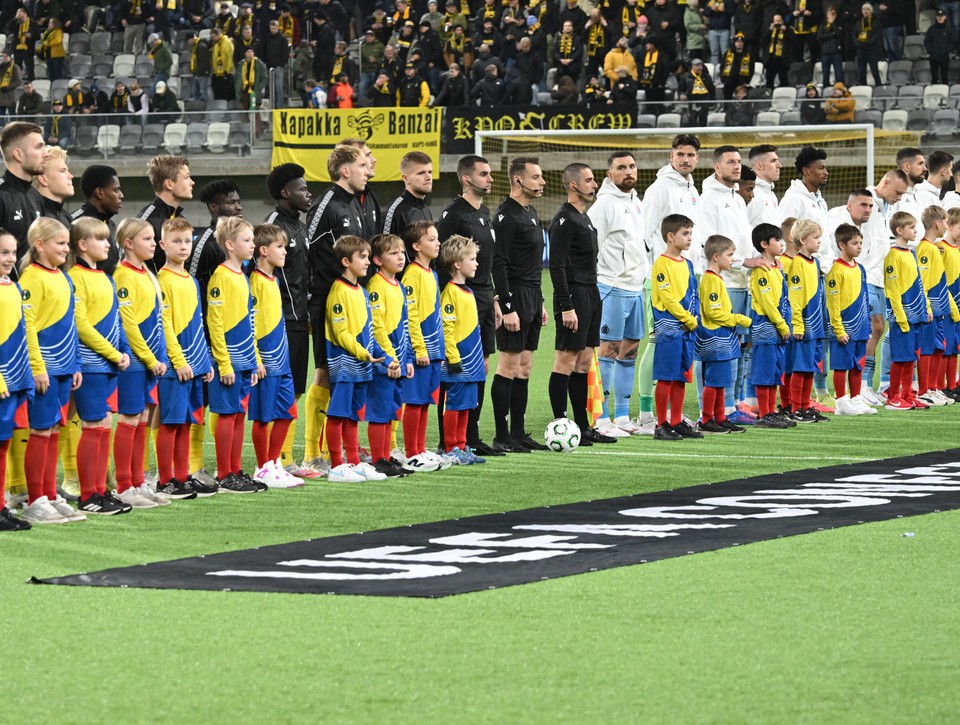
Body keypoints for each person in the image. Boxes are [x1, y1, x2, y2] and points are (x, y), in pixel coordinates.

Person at [303, 144, 368, 471]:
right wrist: (316, 300)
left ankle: (341, 451)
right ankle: (313, 452)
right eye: (361, 164)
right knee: (327, 373)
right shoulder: (327, 204)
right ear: (345, 171)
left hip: (353, 299)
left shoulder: (354, 203)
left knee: (348, 375)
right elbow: (305, 248)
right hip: (329, 303)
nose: (367, 170)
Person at [67, 217, 136, 514]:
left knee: (104, 425)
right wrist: (111, 352)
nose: (108, 244)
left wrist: (123, 350)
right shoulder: (74, 276)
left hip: (109, 364)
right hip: (91, 362)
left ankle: (100, 490)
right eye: (101, 239)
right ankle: (87, 496)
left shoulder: (106, 278)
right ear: (83, 244)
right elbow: (80, 323)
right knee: (93, 425)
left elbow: (115, 320)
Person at [18, 218, 85, 524]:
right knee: (40, 431)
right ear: (39, 245)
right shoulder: (32, 278)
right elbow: (27, 327)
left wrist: (74, 364)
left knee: (54, 431)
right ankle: (35, 500)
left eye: (67, 243)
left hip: (63, 367)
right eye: (60, 243)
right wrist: (36, 367)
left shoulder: (63, 276)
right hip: (44, 368)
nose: (66, 249)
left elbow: (69, 323)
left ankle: (49, 493)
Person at [435, 155, 500, 456]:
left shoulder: (485, 212)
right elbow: (443, 259)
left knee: (482, 366)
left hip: (484, 296)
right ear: (466, 179)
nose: (489, 179)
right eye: (484, 174)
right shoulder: (452, 215)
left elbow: (487, 260)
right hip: (461, 298)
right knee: (456, 371)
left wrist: (496, 298)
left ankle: (470, 436)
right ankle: (449, 442)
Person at [547, 163, 615, 446]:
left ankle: (583, 425)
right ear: (573, 185)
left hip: (591, 292)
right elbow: (558, 265)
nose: (594, 185)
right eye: (588, 180)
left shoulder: (584, 218)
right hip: (573, 294)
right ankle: (560, 423)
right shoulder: (564, 219)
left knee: (585, 361)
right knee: (566, 359)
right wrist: (566, 305)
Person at [112, 218, 179, 501]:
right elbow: (128, 324)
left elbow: (159, 319)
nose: (153, 243)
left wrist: (160, 356)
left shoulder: (148, 274)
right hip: (137, 361)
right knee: (129, 417)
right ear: (128, 243)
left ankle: (138, 481)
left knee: (142, 418)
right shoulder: (123, 275)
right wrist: (149, 358)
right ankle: (124, 485)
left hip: (152, 360)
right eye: (147, 239)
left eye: (153, 238)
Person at [699, 145, 764, 425]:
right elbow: (707, 243)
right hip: (722, 281)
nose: (737, 166)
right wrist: (743, 263)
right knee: (719, 346)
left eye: (739, 161)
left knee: (739, 346)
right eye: (730, 162)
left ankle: (734, 402)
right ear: (716, 167)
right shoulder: (707, 200)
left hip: (741, 282)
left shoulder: (737, 198)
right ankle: (714, 408)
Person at [156, 217, 218, 498]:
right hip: (175, 367)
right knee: (170, 423)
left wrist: (204, 360)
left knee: (185, 422)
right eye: (176, 241)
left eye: (187, 241)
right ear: (162, 244)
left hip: (195, 364)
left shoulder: (192, 280)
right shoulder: (162, 280)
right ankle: (164, 479)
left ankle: (182, 477)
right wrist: (178, 361)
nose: (183, 247)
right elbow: (164, 324)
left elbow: (197, 323)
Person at [586, 152, 646, 438]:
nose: (628, 171)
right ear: (609, 175)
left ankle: (622, 415)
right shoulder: (604, 205)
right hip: (610, 286)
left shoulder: (636, 201)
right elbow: (591, 248)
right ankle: (601, 416)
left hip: (636, 287)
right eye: (621, 168)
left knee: (630, 350)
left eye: (631, 166)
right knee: (607, 351)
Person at [491, 157, 548, 452]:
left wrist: (539, 301)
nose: (542, 182)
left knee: (525, 367)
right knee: (509, 365)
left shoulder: (532, 212)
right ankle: (502, 435)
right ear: (518, 180)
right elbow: (498, 263)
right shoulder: (506, 216)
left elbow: (533, 264)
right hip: (514, 296)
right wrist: (508, 305)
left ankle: (519, 432)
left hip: (531, 296)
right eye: (536, 177)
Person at [324, 234, 390, 482]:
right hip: (344, 363)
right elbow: (341, 334)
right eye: (361, 257)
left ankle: (353, 461)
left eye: (366, 257)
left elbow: (369, 329)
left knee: (353, 415)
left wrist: (380, 354)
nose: (366, 262)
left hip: (363, 364)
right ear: (345, 261)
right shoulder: (338, 291)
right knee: (338, 414)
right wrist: (364, 353)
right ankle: (336, 465)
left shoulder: (361, 291)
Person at [206, 217, 263, 493]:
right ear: (230, 245)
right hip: (227, 361)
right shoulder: (221, 276)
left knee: (239, 414)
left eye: (252, 240)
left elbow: (248, 322)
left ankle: (236, 469)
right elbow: (215, 323)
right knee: (227, 415)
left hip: (244, 360)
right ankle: (224, 473)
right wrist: (224, 364)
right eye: (247, 240)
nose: (253, 245)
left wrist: (253, 361)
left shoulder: (242, 275)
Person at [248, 224, 302, 487]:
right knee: (263, 415)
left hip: (282, 359)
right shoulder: (255, 281)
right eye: (280, 247)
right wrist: (256, 359)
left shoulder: (275, 280)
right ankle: (262, 467)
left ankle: (273, 462)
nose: (285, 252)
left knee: (288, 412)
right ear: (263, 250)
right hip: (266, 360)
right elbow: (251, 323)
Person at [398, 221, 451, 471]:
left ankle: (421, 449)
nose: (437, 243)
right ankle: (411, 453)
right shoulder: (412, 275)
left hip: (435, 348)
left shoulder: (433, 273)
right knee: (415, 399)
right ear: (416, 246)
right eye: (431, 239)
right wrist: (418, 349)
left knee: (426, 400)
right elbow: (411, 315)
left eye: (437, 238)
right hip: (421, 350)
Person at [365, 233, 414, 477]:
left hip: (399, 360)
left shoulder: (399, 285)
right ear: (377, 260)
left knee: (392, 409)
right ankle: (378, 459)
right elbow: (377, 327)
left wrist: (408, 358)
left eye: (402, 252)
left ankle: (386, 456)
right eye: (393, 253)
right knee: (380, 410)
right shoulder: (376, 287)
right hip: (384, 362)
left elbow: (404, 325)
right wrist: (389, 358)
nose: (400, 257)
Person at [860, 170, 908, 403]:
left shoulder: (885, 206)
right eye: (897, 192)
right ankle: (862, 384)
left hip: (879, 277)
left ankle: (866, 385)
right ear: (885, 182)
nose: (899, 197)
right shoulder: (866, 202)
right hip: (865, 275)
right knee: (874, 328)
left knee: (877, 329)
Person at [438, 235, 487, 463]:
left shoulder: (468, 291)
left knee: (467, 406)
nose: (477, 263)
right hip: (458, 361)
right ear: (457, 264)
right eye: (472, 259)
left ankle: (462, 445)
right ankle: (450, 448)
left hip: (472, 359)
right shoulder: (450, 293)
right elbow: (447, 328)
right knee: (456, 405)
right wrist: (453, 357)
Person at [696, 234, 752, 434]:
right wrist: (738, 319)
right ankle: (706, 419)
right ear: (716, 257)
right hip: (714, 337)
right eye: (730, 255)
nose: (732, 259)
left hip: (722, 336)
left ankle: (720, 417)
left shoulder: (716, 278)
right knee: (713, 381)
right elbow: (713, 312)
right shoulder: (710, 280)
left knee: (720, 381)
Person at [650, 214, 699, 441]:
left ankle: (677, 422)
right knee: (666, 377)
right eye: (685, 234)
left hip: (688, 329)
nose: (689, 238)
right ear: (670, 237)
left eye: (690, 233)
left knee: (681, 377)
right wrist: (687, 318)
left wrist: (694, 317)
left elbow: (693, 294)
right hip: (670, 328)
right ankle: (661, 425)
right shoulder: (661, 263)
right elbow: (668, 297)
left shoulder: (688, 264)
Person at [825, 223, 876, 417]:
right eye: (855, 243)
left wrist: (867, 325)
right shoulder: (836, 271)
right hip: (844, 327)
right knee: (841, 365)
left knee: (857, 364)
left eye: (861, 243)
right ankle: (841, 401)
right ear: (842, 245)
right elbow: (833, 303)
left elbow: (864, 297)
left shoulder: (860, 268)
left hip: (860, 326)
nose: (860, 247)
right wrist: (838, 329)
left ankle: (856, 398)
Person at [0, 230, 33, 529]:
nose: (10, 258)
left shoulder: (13, 286)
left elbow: (22, 333)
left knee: (3, 443)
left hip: (16, 381)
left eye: (12, 252)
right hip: (2, 382)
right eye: (3, 253)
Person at [748, 222, 794, 429]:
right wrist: (782, 325)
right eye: (778, 240)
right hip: (767, 326)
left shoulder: (777, 266)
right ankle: (764, 414)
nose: (782, 243)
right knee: (764, 371)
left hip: (779, 325)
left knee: (775, 371)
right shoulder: (761, 271)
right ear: (764, 244)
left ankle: (771, 411)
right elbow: (767, 303)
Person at [884, 211, 930, 411]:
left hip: (917, 316)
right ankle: (893, 397)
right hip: (903, 318)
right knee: (901, 358)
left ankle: (908, 395)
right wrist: (900, 318)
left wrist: (926, 307)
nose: (915, 231)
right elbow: (892, 292)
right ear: (899, 230)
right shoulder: (892, 257)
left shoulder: (911, 253)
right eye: (911, 227)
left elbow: (920, 284)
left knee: (911, 358)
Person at [787, 219, 829, 422]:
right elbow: (795, 297)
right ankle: (796, 408)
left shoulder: (816, 262)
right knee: (800, 367)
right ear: (803, 240)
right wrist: (797, 323)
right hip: (804, 324)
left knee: (811, 367)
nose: (819, 241)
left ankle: (806, 406)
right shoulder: (798, 263)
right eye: (815, 238)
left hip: (817, 324)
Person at [915, 206, 955, 407]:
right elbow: (922, 280)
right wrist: (927, 306)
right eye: (946, 222)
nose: (947, 226)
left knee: (939, 347)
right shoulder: (924, 248)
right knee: (928, 349)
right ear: (938, 223)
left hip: (941, 308)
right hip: (932, 307)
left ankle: (934, 388)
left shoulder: (934, 248)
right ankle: (923, 390)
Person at [0, 122, 46, 273]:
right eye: (39, 147)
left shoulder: (36, 195)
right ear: (18, 154)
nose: (46, 153)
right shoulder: (2, 196)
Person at [137, 154, 193, 272]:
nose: (192, 182)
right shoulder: (145, 221)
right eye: (187, 177)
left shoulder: (181, 219)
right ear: (169, 184)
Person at [778, 146, 829, 233]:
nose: (826, 173)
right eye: (821, 168)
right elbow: (785, 235)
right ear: (806, 171)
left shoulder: (821, 201)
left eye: (826, 168)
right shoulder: (793, 199)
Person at [384, 152, 433, 237]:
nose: (428, 177)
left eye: (430, 172)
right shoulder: (395, 212)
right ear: (406, 178)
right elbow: (384, 247)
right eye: (421, 173)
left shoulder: (426, 210)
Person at [938, 208, 960, 396]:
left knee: (954, 347)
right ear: (949, 226)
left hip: (958, 305)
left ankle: (952, 385)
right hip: (947, 304)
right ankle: (939, 386)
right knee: (944, 348)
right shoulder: (942, 248)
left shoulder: (955, 249)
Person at [34, 145, 73, 229]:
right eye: (62, 171)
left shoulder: (66, 217)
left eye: (68, 171)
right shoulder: (34, 217)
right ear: (43, 179)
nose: (70, 176)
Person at [747, 144, 782, 228]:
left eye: (778, 160)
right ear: (759, 165)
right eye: (773, 161)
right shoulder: (751, 194)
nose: (779, 165)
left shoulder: (771, 194)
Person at [854, 3, 883, 86]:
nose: (865, 11)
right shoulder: (858, 23)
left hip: (872, 50)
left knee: (875, 72)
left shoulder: (876, 22)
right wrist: (858, 44)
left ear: (871, 11)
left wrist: (866, 43)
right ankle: (863, 88)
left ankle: (879, 88)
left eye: (867, 9)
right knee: (861, 74)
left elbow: (877, 36)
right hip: (861, 51)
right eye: (864, 9)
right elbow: (854, 36)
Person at [817, 6, 843, 87]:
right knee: (825, 75)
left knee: (839, 75)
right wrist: (832, 34)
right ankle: (826, 90)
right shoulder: (823, 24)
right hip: (825, 53)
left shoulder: (839, 23)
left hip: (836, 53)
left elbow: (839, 33)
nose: (830, 15)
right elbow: (820, 36)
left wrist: (832, 23)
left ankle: (840, 90)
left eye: (832, 13)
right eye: (829, 13)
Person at [925, 10, 952, 86]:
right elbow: (927, 42)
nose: (940, 18)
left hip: (944, 56)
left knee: (944, 77)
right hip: (933, 57)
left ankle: (945, 94)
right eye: (938, 16)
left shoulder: (949, 29)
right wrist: (931, 51)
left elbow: (952, 42)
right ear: (936, 17)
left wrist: (947, 50)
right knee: (934, 77)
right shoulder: (931, 29)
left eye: (942, 16)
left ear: (945, 17)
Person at [210, 28, 237, 101]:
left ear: (218, 34)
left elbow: (230, 56)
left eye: (214, 37)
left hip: (226, 73)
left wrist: (228, 70)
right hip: (218, 73)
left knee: (228, 94)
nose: (213, 39)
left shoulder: (227, 42)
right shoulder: (216, 44)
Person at [0, 51, 21, 120]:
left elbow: (18, 81)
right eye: (3, 56)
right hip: (1, 96)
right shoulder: (1, 67)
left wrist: (7, 88)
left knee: (12, 118)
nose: (4, 58)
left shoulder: (15, 67)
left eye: (6, 56)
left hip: (11, 96)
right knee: (1, 119)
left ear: (10, 57)